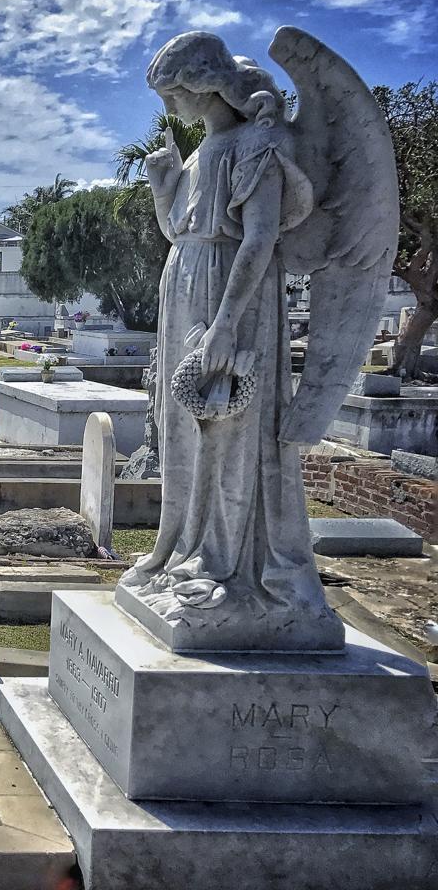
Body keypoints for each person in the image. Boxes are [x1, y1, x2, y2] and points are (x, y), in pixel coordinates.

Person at [117, 32, 342, 648]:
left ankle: (229, 567)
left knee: (229, 430)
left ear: (204, 84)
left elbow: (259, 238)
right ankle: (180, 547)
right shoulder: (198, 157)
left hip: (230, 299)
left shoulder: (260, 143)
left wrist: (223, 325)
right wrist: (165, 188)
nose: (171, 112)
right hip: (185, 286)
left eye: (173, 95)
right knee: (185, 429)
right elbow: (181, 234)